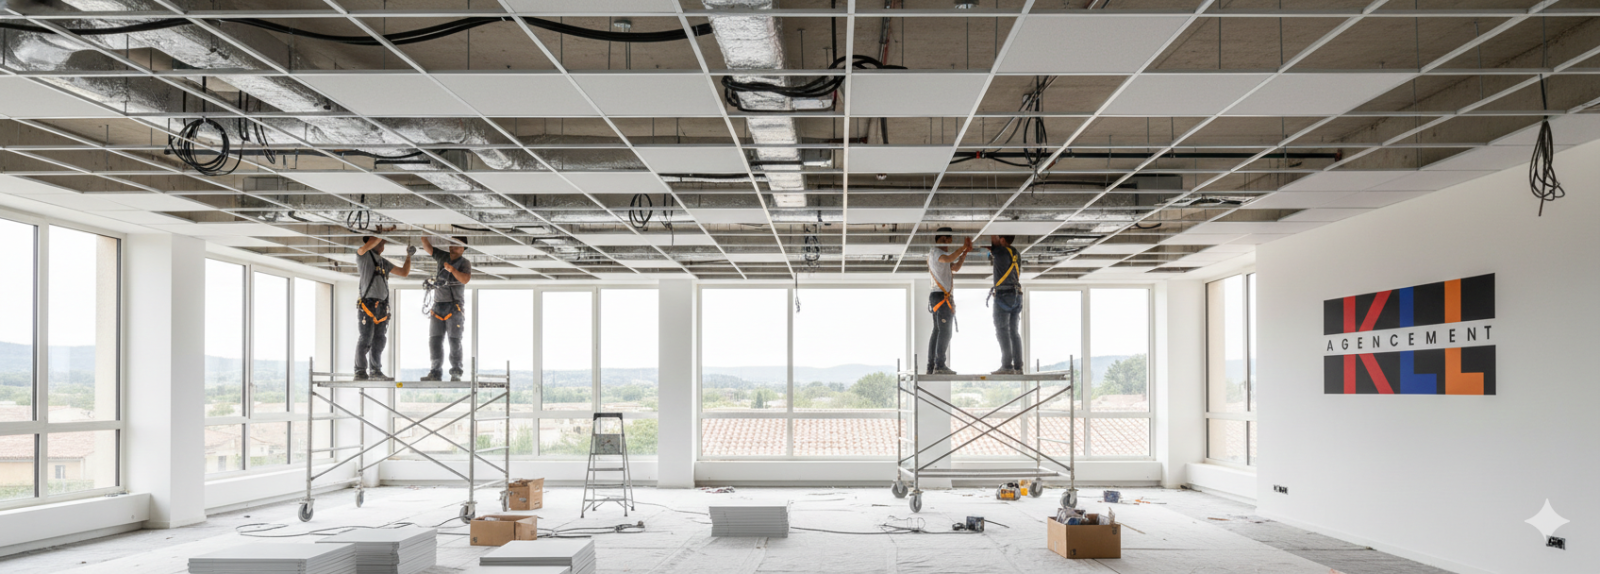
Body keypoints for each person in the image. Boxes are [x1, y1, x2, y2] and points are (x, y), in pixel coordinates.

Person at [353, 227, 412, 381]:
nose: (382, 245)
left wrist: (409, 256)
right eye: (380, 243)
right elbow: (370, 244)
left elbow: (404, 272)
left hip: (382, 307)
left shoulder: (383, 262)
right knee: (366, 339)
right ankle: (360, 372)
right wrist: (382, 232)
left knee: (379, 340)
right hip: (368, 306)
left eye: (383, 243)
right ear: (372, 242)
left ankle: (375, 371)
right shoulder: (363, 255)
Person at [420, 235, 473, 382]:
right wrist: (423, 236)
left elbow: (465, 279)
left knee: (454, 341)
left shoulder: (464, 263)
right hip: (437, 305)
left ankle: (456, 372)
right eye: (452, 244)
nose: (453, 247)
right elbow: (429, 249)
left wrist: (452, 270)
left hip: (454, 307)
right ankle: (435, 372)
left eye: (457, 245)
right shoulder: (442, 257)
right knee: (435, 341)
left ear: (463, 249)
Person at [927, 227, 972, 375]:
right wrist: (963, 247)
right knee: (945, 332)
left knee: (938, 331)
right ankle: (939, 365)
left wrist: (964, 253)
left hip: (938, 297)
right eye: (948, 242)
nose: (948, 247)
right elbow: (949, 258)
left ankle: (932, 366)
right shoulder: (936, 252)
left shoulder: (939, 257)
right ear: (943, 239)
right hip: (941, 297)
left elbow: (956, 267)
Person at [987, 234, 1023, 375]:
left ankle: (1007, 366)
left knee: (1002, 330)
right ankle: (1018, 366)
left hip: (1004, 296)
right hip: (1016, 295)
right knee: (1014, 332)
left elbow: (993, 238)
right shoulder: (1016, 253)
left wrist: (992, 231)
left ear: (1002, 240)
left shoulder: (1001, 251)